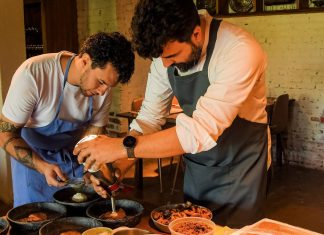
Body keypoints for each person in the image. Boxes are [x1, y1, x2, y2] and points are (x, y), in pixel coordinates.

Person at [74, 0, 270, 228]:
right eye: (160, 58)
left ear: (196, 33)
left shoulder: (239, 50)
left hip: (241, 168)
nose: (166, 65)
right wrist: (118, 167)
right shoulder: (164, 55)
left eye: (172, 56)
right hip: (199, 167)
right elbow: (149, 118)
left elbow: (200, 131)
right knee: (194, 227)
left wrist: (120, 146)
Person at [0, 32, 134, 207]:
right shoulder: (34, 74)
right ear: (85, 60)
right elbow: (4, 132)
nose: (103, 91)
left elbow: (92, 137)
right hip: (35, 165)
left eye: (109, 85)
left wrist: (92, 171)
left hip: (73, 161)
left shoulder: (103, 90)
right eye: (101, 81)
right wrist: (42, 166)